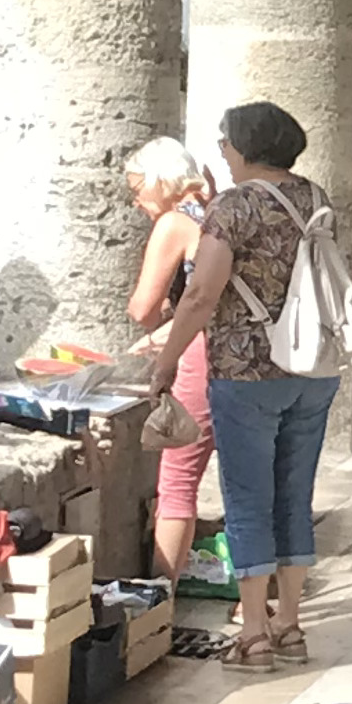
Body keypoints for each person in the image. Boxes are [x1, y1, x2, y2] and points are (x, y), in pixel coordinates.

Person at [139, 101, 346, 674]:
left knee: (248, 501)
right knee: (294, 495)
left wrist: (168, 361)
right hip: (312, 367)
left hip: (246, 370)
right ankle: (291, 623)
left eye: (226, 144)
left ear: (248, 147)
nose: (223, 156)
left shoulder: (234, 207)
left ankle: (254, 632)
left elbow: (202, 294)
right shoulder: (314, 197)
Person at [123, 135, 218, 588]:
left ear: (164, 182)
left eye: (140, 188)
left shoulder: (175, 223)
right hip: (247, 353)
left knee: (178, 482)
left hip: (203, 355)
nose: (136, 199)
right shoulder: (215, 208)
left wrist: (157, 322)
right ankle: (257, 601)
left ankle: (162, 594)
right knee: (249, 483)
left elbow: (143, 307)